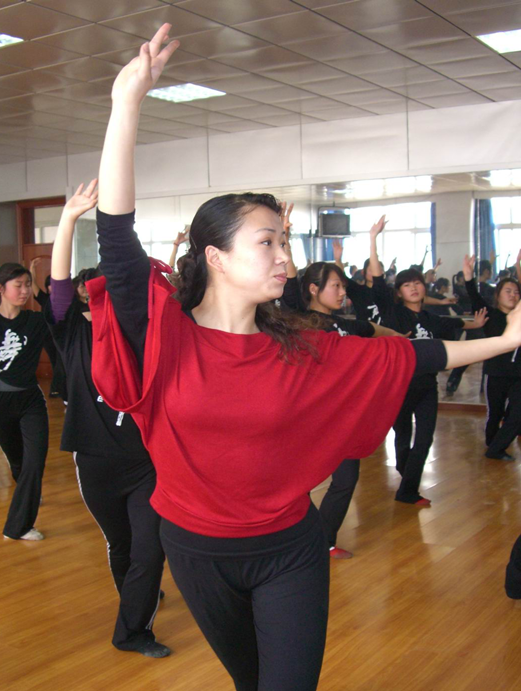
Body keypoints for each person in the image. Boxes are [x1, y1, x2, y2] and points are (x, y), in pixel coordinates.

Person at [86, 25, 521, 691]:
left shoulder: (300, 345)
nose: (285, 258)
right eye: (268, 242)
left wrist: (507, 339)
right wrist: (127, 103)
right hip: (196, 550)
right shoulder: (164, 335)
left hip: (289, 548)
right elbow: (116, 237)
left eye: (284, 242)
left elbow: (412, 356)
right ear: (215, 256)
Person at [46, 180, 168, 658]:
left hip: (145, 462)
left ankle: (133, 631)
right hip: (96, 462)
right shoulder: (71, 332)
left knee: (149, 549)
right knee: (122, 546)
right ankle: (137, 596)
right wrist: (68, 218)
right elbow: (57, 285)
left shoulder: (146, 336)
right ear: (90, 296)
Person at [369, 225, 487, 505]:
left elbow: (455, 323)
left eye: (417, 283)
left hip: (426, 387)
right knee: (402, 436)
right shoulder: (393, 313)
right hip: (399, 386)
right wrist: (373, 239)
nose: (413, 287)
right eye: (407, 285)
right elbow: (378, 279)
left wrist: (476, 324)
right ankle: (405, 473)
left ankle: (407, 490)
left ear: (424, 287)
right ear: (399, 292)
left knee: (424, 439)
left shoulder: (432, 318)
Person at [296, 259, 404, 559]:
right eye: (336, 286)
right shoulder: (297, 323)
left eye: (344, 286)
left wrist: (398, 338)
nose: (343, 292)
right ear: (314, 289)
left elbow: (372, 328)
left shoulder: (345, 325)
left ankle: (324, 541)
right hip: (309, 417)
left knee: (345, 480)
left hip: (343, 417)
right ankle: (297, 540)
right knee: (299, 484)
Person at [0, 263, 48, 541]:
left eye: (27, 285)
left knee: (35, 461)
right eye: (18, 285)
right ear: (2, 289)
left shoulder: (35, 321)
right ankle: (28, 491)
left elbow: (61, 312)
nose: (24, 291)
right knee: (18, 460)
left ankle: (18, 527)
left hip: (30, 400)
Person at [463, 254, 521, 460]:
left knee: (517, 413)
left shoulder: (518, 317)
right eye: (508, 291)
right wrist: (468, 277)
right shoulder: (490, 315)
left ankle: (496, 448)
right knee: (495, 414)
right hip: (496, 373)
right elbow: (474, 296)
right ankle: (492, 444)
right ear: (498, 295)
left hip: (518, 375)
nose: (513, 295)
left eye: (516, 292)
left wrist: (518, 267)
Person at [29, 258, 67, 400]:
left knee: (61, 362)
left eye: (54, 284)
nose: (52, 287)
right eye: (49, 285)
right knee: (56, 362)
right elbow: (33, 284)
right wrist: (32, 268)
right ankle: (55, 389)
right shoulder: (44, 298)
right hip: (48, 336)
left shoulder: (65, 299)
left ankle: (59, 388)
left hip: (63, 336)